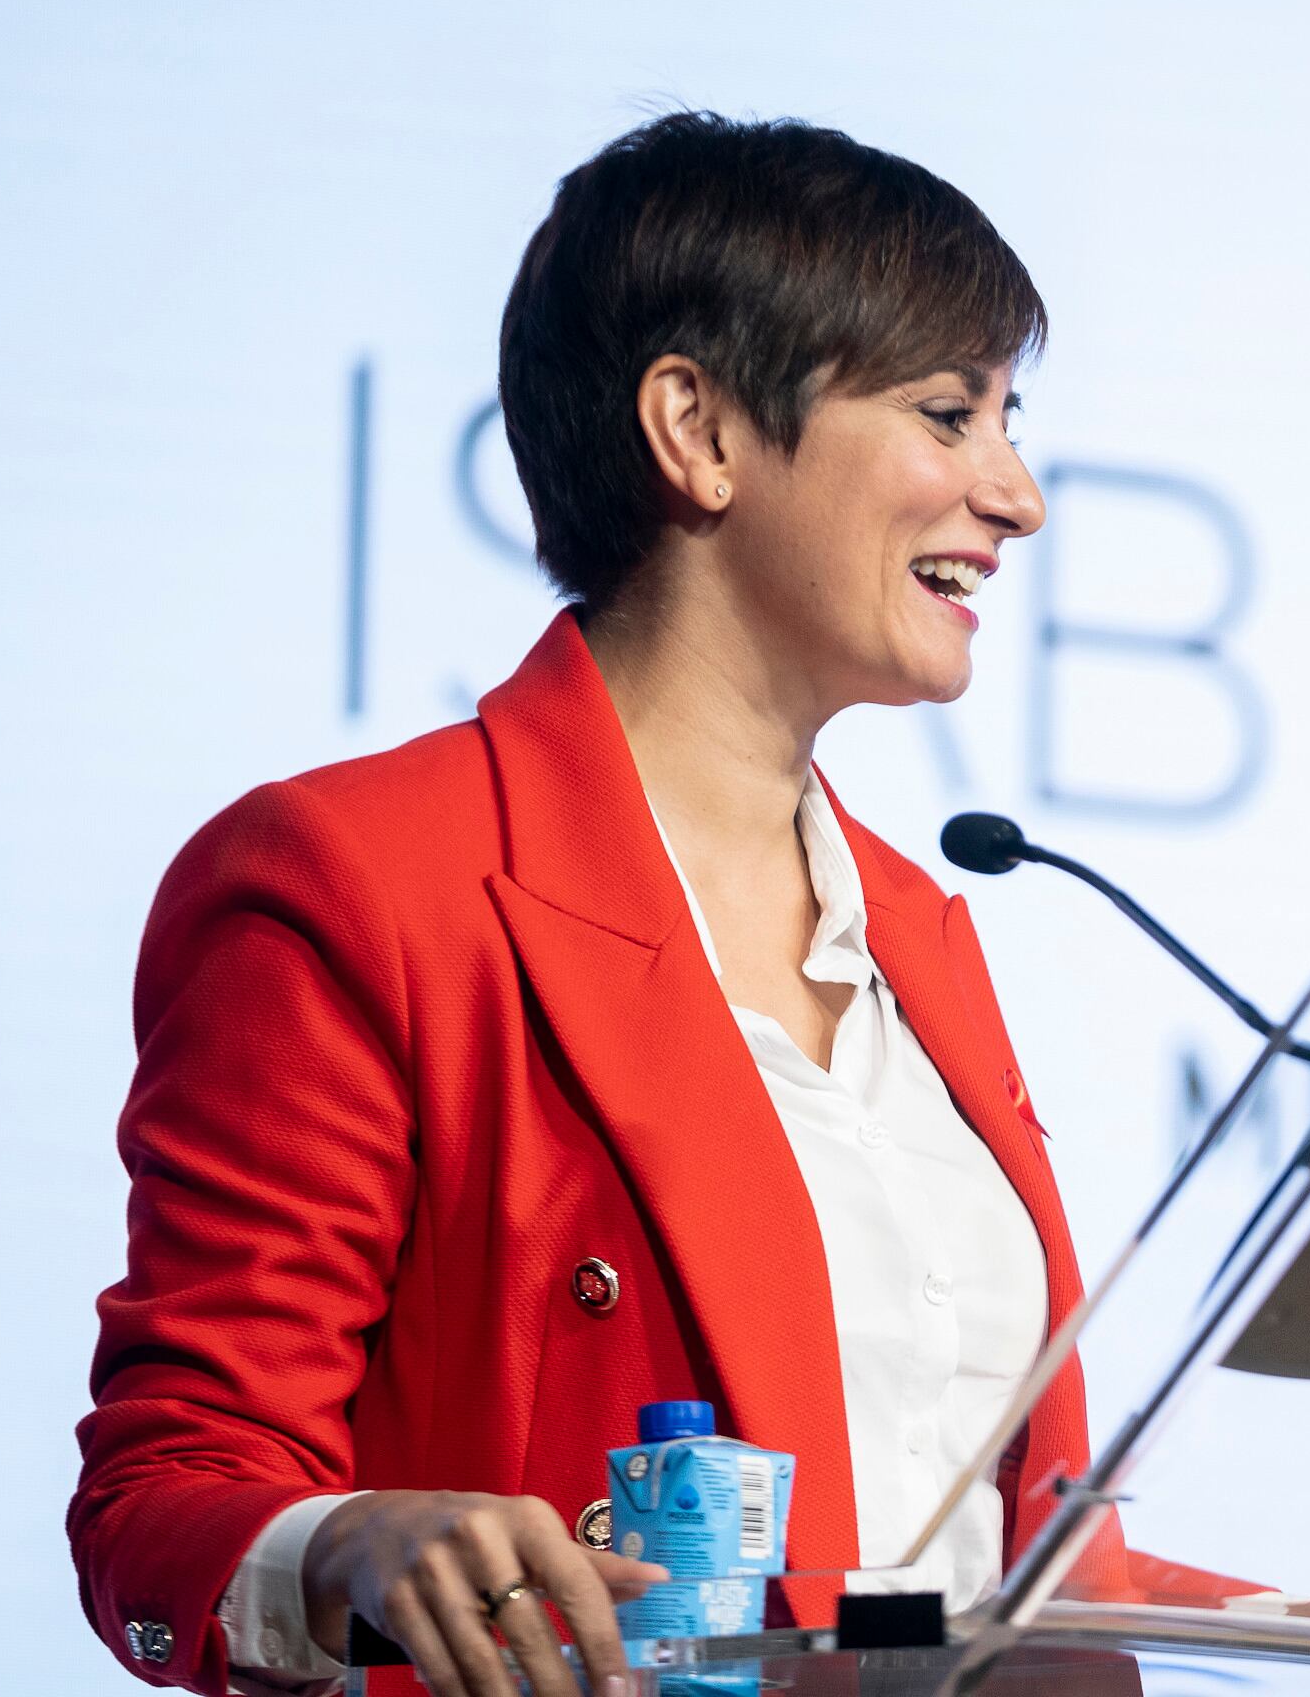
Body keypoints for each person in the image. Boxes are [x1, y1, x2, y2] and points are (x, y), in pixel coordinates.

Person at [70, 112, 1224, 1697]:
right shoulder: (361, 882)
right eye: (950, 414)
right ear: (699, 429)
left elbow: (992, 1548)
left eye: (1007, 422)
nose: (1017, 496)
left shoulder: (920, 932)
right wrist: (350, 1547)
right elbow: (163, 1505)